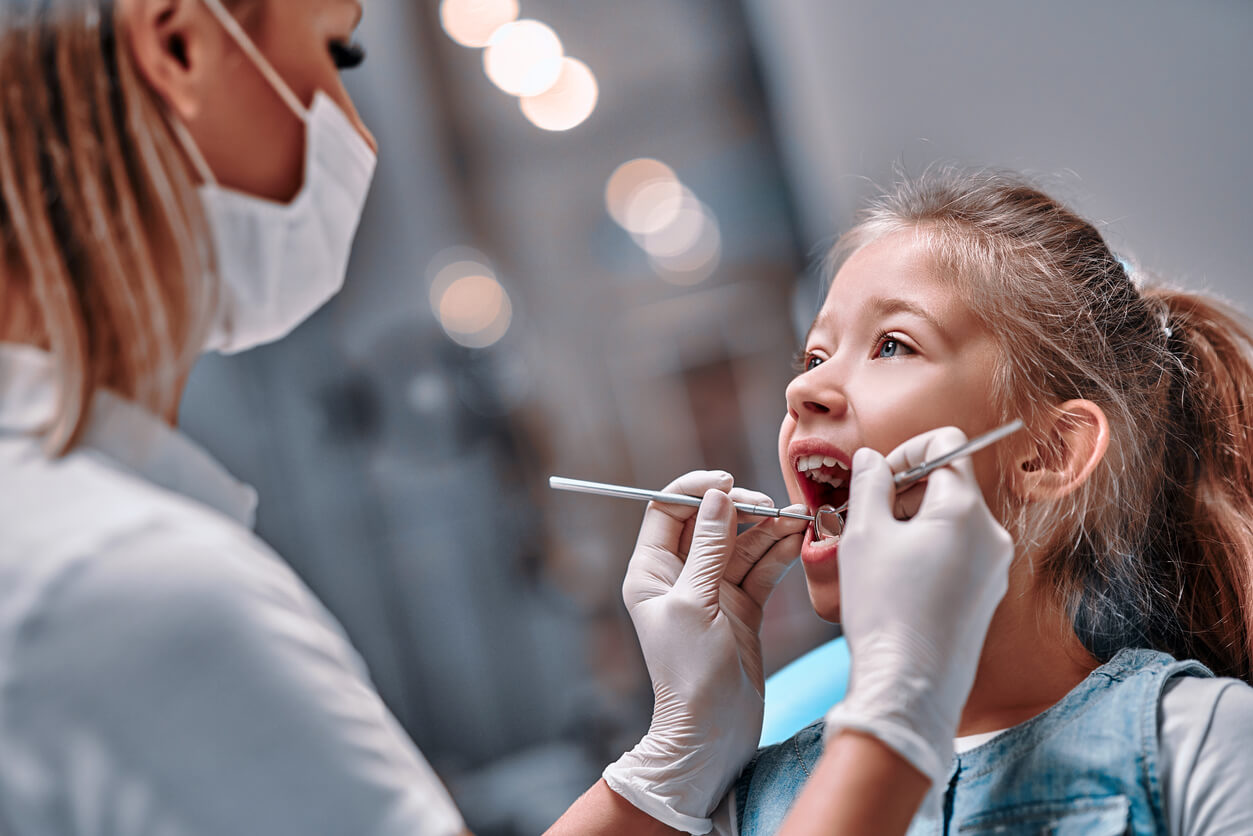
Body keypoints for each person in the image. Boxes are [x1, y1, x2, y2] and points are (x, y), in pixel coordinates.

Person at [0, 1, 1013, 834]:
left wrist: (666, 769)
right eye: (334, 51)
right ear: (178, 42)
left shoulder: (1168, 734)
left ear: (1058, 448)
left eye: (890, 344)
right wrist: (896, 709)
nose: (354, 135)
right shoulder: (124, 586)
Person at [713, 167, 1253, 835]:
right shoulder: (743, 803)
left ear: (1049, 452)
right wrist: (660, 773)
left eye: (891, 345)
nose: (804, 391)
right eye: (813, 356)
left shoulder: (1200, 745)